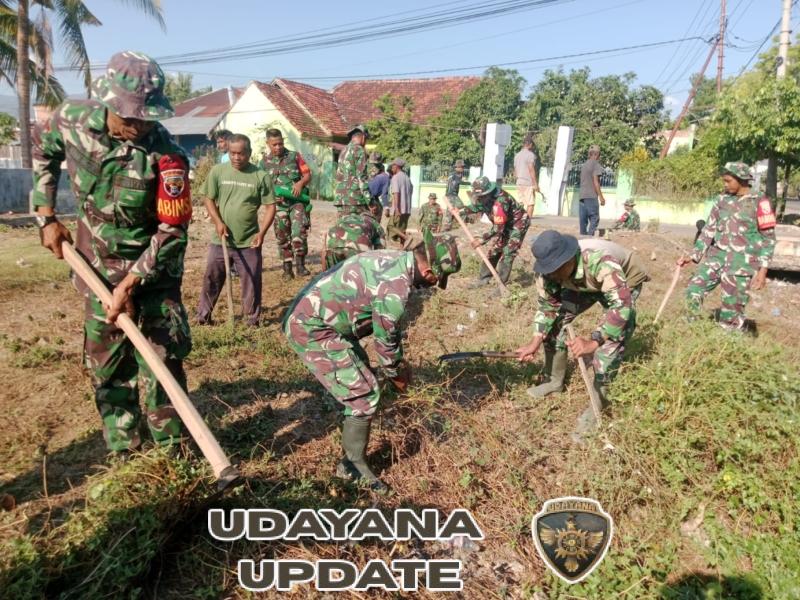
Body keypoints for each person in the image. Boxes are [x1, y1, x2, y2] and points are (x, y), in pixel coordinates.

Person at [32, 51, 193, 455]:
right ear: (107, 101)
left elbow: (172, 230)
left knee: (162, 361)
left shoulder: (167, 155)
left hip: (153, 272)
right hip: (96, 265)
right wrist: (46, 215)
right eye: (129, 116)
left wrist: (132, 282)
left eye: (146, 117)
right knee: (107, 362)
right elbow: (43, 151)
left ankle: (172, 450)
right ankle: (124, 448)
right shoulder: (70, 120)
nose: (138, 125)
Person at [283, 230, 461, 492]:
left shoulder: (395, 258)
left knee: (365, 375)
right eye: (437, 279)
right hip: (311, 328)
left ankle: (354, 441)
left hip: (320, 319)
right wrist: (398, 373)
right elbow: (385, 343)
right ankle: (352, 468)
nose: (433, 285)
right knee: (363, 394)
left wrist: (396, 366)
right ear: (429, 271)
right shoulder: (396, 288)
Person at [516, 230, 649, 435]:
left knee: (612, 339)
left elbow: (621, 307)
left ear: (569, 258)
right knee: (554, 326)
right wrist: (535, 342)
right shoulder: (550, 273)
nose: (552, 275)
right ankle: (554, 381)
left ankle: (598, 407)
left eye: (556, 269)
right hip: (583, 282)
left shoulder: (600, 262)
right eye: (549, 270)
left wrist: (594, 342)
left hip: (624, 280)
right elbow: (547, 308)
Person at [677, 162, 776, 332]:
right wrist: (694, 255)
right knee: (694, 289)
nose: (725, 184)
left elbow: (768, 238)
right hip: (717, 257)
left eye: (728, 181)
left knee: (732, 308)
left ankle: (728, 340)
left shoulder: (761, 202)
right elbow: (708, 229)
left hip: (741, 263)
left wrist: (763, 270)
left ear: (741, 180)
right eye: (724, 180)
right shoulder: (721, 200)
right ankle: (690, 331)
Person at [197, 134, 277, 327]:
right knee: (212, 278)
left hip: (249, 241)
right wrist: (217, 221)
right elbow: (208, 198)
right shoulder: (218, 171)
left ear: (249, 153)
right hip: (221, 239)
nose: (236, 157)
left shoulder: (260, 176)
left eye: (241, 153)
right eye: (232, 153)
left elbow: (270, 207)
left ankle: (251, 321)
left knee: (251, 281)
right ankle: (203, 318)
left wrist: (261, 233)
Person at [261, 128, 312, 278]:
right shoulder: (264, 163)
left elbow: (307, 174)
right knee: (282, 235)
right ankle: (287, 269)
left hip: (297, 202)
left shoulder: (294, 156)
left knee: (298, 232)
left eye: (280, 143)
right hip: (278, 206)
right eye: (274, 144)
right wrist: (270, 198)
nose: (278, 147)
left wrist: (300, 183)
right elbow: (261, 185)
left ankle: (301, 266)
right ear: (268, 143)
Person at [462, 176, 530, 287]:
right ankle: (483, 279)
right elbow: (477, 207)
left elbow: (498, 228)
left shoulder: (500, 202)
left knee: (508, 253)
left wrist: (482, 240)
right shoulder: (484, 198)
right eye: (478, 196)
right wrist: (461, 211)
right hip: (504, 223)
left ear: (488, 192)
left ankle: (501, 285)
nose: (480, 198)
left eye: (482, 196)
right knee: (494, 251)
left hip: (518, 223)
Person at [333, 124, 371, 214]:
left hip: (340, 198)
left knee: (343, 222)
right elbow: (362, 177)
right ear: (363, 137)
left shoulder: (344, 150)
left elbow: (338, 176)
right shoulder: (359, 150)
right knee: (360, 222)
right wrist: (369, 200)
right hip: (355, 200)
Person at [578, 145, 606, 236]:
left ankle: (583, 237)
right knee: (594, 218)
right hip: (591, 196)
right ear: (597, 154)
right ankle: (590, 237)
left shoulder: (584, 165)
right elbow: (596, 182)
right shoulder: (596, 165)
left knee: (583, 221)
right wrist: (601, 197)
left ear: (589, 154)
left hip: (582, 197)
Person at [388, 158, 413, 244]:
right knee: (402, 230)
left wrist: (397, 209)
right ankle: (403, 247)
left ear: (396, 166)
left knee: (391, 227)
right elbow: (411, 192)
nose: (391, 168)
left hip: (399, 209)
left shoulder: (395, 178)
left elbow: (396, 193)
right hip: (407, 209)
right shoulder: (407, 178)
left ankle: (407, 238)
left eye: (392, 166)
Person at [514, 136, 540, 218]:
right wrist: (535, 184)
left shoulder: (517, 155)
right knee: (530, 203)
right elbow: (531, 170)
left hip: (519, 182)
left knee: (520, 203)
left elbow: (515, 171)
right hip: (528, 183)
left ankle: (519, 219)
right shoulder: (530, 155)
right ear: (530, 144)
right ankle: (527, 221)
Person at [441, 159, 469, 231]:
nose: (463, 169)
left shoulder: (455, 174)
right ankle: (462, 223)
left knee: (450, 209)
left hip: (450, 194)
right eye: (462, 167)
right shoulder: (455, 175)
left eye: (463, 167)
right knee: (461, 207)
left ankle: (447, 226)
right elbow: (454, 183)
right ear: (457, 167)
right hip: (452, 194)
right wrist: (467, 183)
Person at [368, 152, 390, 222]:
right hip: (366, 195)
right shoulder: (365, 166)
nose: (374, 164)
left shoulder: (381, 167)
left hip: (373, 196)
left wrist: (386, 206)